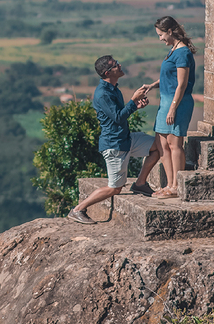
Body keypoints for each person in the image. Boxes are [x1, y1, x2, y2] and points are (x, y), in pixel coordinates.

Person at [67, 54, 160, 225]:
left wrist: (134, 106)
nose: (120, 65)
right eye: (116, 64)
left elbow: (119, 115)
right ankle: (78, 209)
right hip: (114, 145)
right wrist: (133, 100)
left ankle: (140, 183)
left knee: (158, 147)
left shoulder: (114, 89)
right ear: (107, 72)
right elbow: (117, 118)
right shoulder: (103, 94)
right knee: (115, 188)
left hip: (125, 139)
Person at [138, 15, 197, 199]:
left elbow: (181, 84)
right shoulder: (173, 50)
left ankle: (176, 187)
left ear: (170, 31)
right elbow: (169, 78)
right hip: (166, 101)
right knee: (162, 144)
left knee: (174, 144)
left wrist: (173, 108)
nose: (160, 38)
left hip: (177, 102)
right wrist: (153, 85)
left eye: (161, 34)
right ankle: (169, 184)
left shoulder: (183, 53)